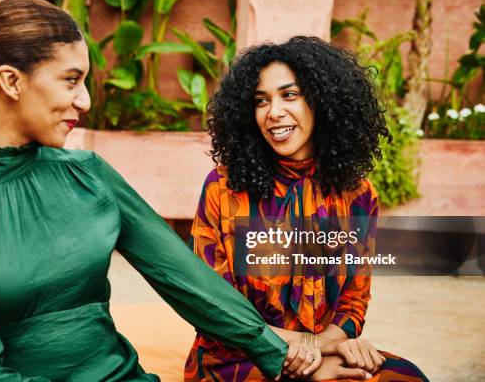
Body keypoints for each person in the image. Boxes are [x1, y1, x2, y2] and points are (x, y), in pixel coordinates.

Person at [0, 0, 293, 382]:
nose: (84, 100)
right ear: (11, 81)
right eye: (71, 80)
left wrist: (282, 355)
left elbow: (188, 280)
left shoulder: (90, 175)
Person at [184, 37, 430, 382]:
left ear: (321, 100)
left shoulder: (358, 195)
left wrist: (328, 346)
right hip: (238, 356)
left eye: (289, 95)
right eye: (261, 101)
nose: (273, 112)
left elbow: (353, 302)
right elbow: (214, 309)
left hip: (323, 345)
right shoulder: (223, 188)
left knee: (407, 376)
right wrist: (310, 353)